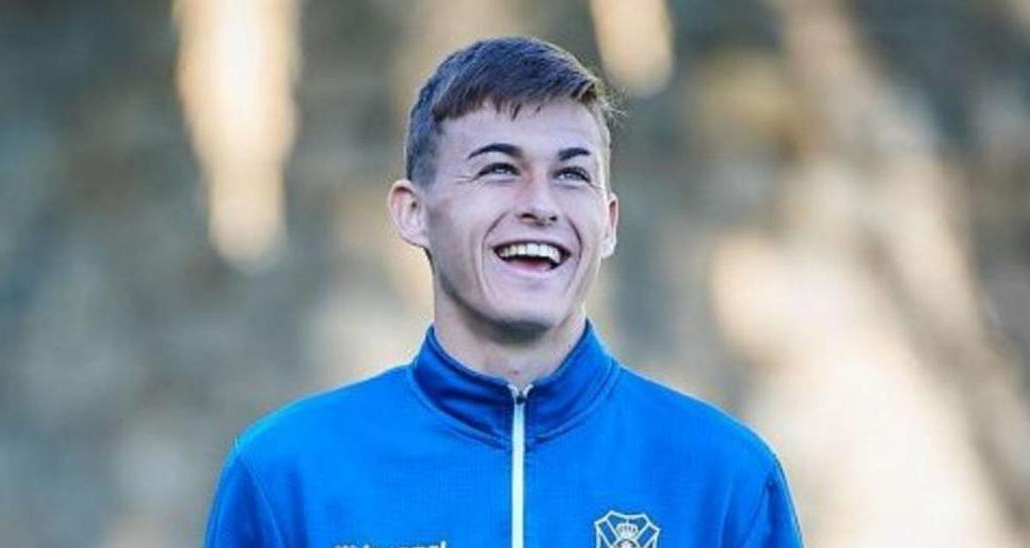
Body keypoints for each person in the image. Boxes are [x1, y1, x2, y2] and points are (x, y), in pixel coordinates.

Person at [203, 36, 803, 548]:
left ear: (609, 222)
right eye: (499, 169)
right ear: (413, 213)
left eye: (572, 174)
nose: (540, 205)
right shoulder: (287, 475)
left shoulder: (726, 480)